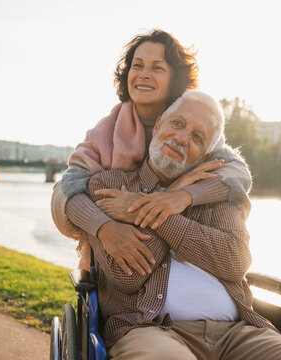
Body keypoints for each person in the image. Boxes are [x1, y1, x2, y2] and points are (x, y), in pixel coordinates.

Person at [86, 90, 281, 360]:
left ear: (206, 154)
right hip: (149, 329)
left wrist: (162, 205)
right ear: (159, 124)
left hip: (238, 333)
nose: (182, 138)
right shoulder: (109, 186)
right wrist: (167, 198)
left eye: (197, 137)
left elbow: (235, 261)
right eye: (178, 123)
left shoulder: (216, 194)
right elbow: (128, 277)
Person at [51, 29, 252, 273]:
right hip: (121, 261)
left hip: (182, 255)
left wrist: (182, 195)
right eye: (137, 66)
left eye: (157, 68)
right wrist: (104, 228)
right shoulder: (103, 133)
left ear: (174, 79)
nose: (144, 75)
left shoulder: (190, 127)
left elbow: (238, 175)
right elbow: (65, 192)